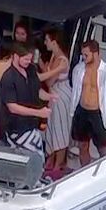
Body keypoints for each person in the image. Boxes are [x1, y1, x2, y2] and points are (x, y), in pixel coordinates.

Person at [72, 39, 106, 166]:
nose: (83, 58)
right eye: (82, 55)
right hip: (82, 111)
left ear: (95, 53)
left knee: (103, 148)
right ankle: (84, 169)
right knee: (82, 145)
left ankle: (104, 169)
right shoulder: (78, 69)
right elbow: (76, 89)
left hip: (98, 113)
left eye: (86, 55)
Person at [0, 42, 51, 154]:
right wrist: (38, 112)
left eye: (30, 59)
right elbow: (12, 107)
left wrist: (50, 96)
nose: (28, 62)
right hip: (17, 128)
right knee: (26, 158)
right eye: (26, 59)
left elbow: (37, 90)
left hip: (32, 124)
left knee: (38, 157)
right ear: (16, 56)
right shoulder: (8, 78)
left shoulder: (31, 69)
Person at [37, 28, 74, 177]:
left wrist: (43, 68)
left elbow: (49, 81)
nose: (45, 43)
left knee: (60, 130)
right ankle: (51, 159)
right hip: (53, 95)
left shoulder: (62, 61)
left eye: (47, 40)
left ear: (54, 42)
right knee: (52, 128)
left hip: (61, 96)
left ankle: (58, 164)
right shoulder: (54, 56)